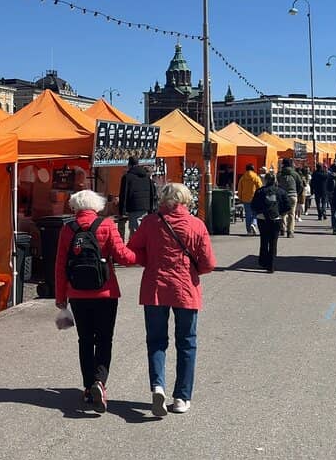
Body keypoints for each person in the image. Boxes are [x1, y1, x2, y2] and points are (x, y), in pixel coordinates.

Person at [127, 183, 216, 417]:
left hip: (155, 287)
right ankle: (181, 397)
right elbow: (208, 263)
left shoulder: (150, 222)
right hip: (185, 288)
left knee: (156, 341)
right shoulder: (197, 225)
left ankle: (158, 386)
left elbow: (133, 249)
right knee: (187, 342)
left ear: (162, 199)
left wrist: (152, 260)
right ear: (186, 200)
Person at [54, 190, 135, 413]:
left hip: (77, 294)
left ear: (74, 206)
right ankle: (100, 381)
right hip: (105, 293)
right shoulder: (107, 224)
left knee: (85, 340)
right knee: (105, 339)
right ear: (96, 205)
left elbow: (60, 266)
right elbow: (123, 257)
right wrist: (143, 255)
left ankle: (89, 388)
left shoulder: (67, 229)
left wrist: (61, 298)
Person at [250, 172, 291, 273]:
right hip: (276, 219)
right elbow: (288, 206)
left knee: (264, 240)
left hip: (262, 219)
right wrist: (280, 214)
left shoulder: (260, 191)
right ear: (275, 180)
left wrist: (260, 211)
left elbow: (253, 205)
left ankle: (263, 261)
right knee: (273, 242)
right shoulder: (281, 192)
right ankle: (271, 265)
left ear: (266, 180)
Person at [118, 156, 158, 238]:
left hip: (134, 207)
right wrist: (152, 208)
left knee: (135, 232)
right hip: (146, 208)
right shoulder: (147, 177)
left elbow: (123, 195)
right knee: (144, 230)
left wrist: (122, 211)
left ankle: (137, 249)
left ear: (129, 165)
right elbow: (152, 193)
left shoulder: (127, 177)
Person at [277, 159, 302, 237]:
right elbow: (300, 185)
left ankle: (282, 229)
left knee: (282, 213)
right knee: (291, 214)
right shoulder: (295, 174)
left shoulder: (280, 174)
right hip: (293, 195)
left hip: (282, 195)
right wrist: (297, 193)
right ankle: (290, 231)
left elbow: (276, 184)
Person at [237, 163, 262, 235]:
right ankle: (253, 224)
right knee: (255, 213)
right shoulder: (256, 177)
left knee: (248, 214)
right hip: (255, 198)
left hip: (245, 198)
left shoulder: (243, 178)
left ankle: (249, 231)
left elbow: (239, 188)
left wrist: (240, 197)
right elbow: (260, 187)